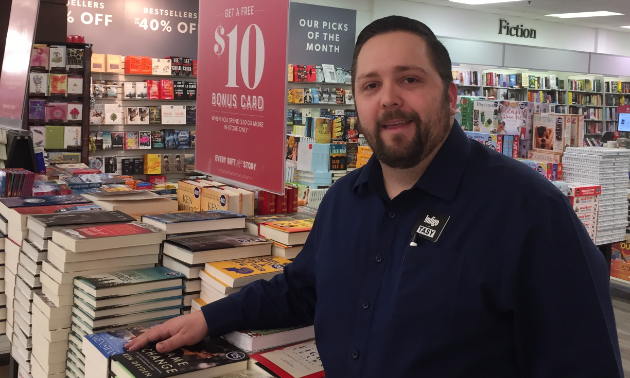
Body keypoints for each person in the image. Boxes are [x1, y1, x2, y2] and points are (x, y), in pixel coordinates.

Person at [126, 16, 622, 377]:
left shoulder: (529, 211)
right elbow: (303, 290)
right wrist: (206, 318)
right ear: (358, 103)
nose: (389, 98)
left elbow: (583, 363)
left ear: (451, 97)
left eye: (409, 79)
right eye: (371, 84)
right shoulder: (345, 200)